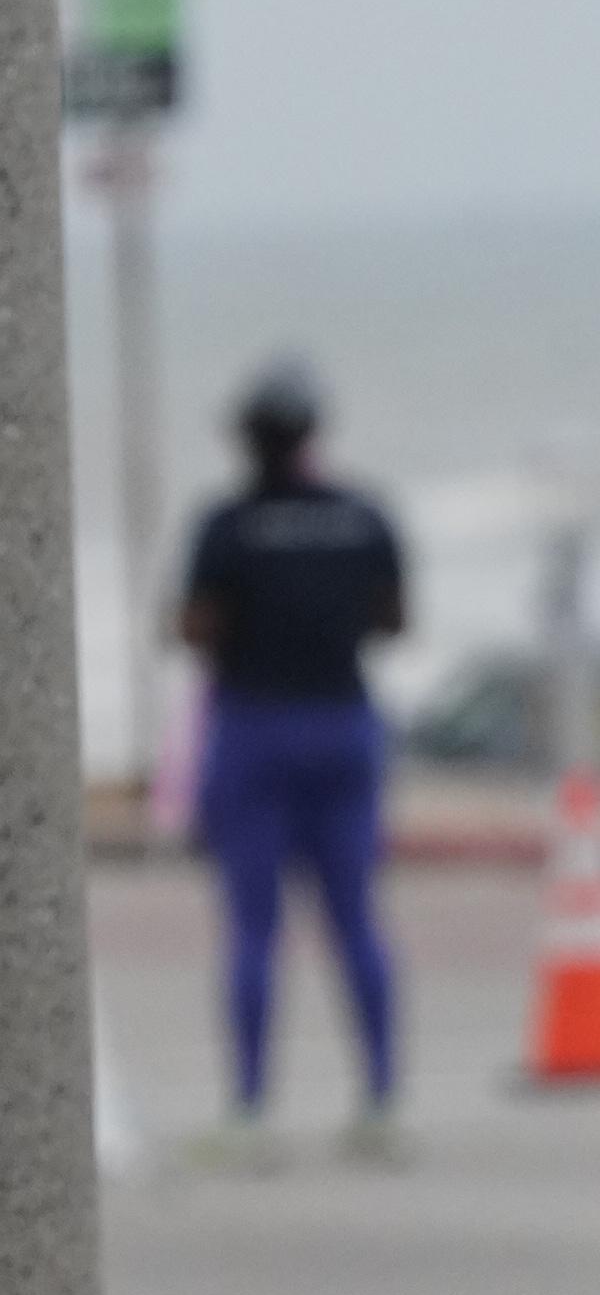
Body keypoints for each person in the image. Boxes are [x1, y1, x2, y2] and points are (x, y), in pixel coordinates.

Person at [178, 361, 408, 1155]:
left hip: (256, 725)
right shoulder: (362, 516)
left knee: (252, 927)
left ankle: (249, 1109)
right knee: (357, 918)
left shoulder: (229, 524)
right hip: (343, 721)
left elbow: (195, 626)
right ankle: (380, 1102)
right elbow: (394, 619)